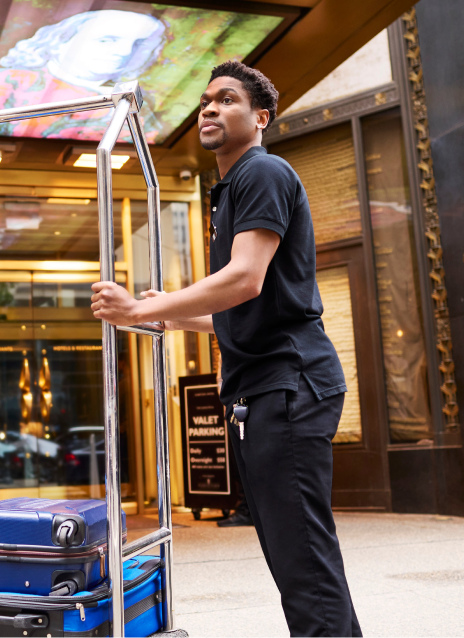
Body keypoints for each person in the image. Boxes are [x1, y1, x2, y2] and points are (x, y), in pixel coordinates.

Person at [91, 60, 362, 637]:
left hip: (287, 386)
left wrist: (142, 309)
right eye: (205, 101)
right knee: (294, 559)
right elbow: (245, 311)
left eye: (227, 99)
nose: (210, 108)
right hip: (269, 389)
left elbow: (245, 279)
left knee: (304, 561)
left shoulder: (261, 172)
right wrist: (176, 314)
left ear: (260, 117)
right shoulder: (234, 186)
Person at [0, 10, 165, 141]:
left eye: (137, 45)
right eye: (107, 40)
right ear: (61, 41)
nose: (123, 53)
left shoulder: (136, 105)